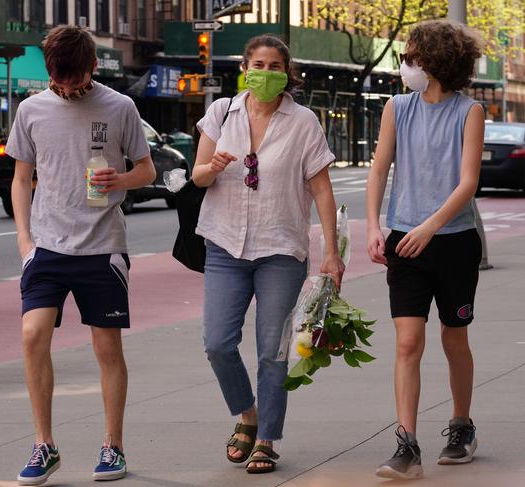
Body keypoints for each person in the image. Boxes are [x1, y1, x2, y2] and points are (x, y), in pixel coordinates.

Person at [5, 25, 155, 485]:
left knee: (106, 347)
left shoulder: (119, 106)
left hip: (102, 246)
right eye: (58, 79)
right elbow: (20, 178)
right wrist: (24, 241)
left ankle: (113, 446)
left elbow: (147, 169)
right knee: (33, 337)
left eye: (74, 78)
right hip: (47, 246)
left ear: (92, 67)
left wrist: (120, 180)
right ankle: (43, 444)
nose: (66, 87)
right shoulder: (31, 109)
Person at [192, 34, 345, 475]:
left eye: (275, 66)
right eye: (258, 64)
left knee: (272, 351)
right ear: (245, 66)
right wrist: (213, 166)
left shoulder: (303, 122)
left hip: (281, 249)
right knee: (218, 344)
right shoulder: (222, 113)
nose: (266, 72)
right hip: (224, 246)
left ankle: (265, 438)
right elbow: (198, 177)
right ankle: (247, 413)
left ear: (287, 73)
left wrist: (331, 252)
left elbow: (320, 187)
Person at [366, 20, 484, 480]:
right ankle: (407, 445)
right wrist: (376, 226)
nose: (406, 63)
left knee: (454, 337)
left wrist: (430, 227)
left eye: (412, 54)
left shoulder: (468, 111)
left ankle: (461, 427)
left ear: (434, 60)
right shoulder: (397, 107)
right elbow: (378, 170)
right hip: (404, 241)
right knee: (408, 342)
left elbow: (468, 182)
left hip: (453, 242)